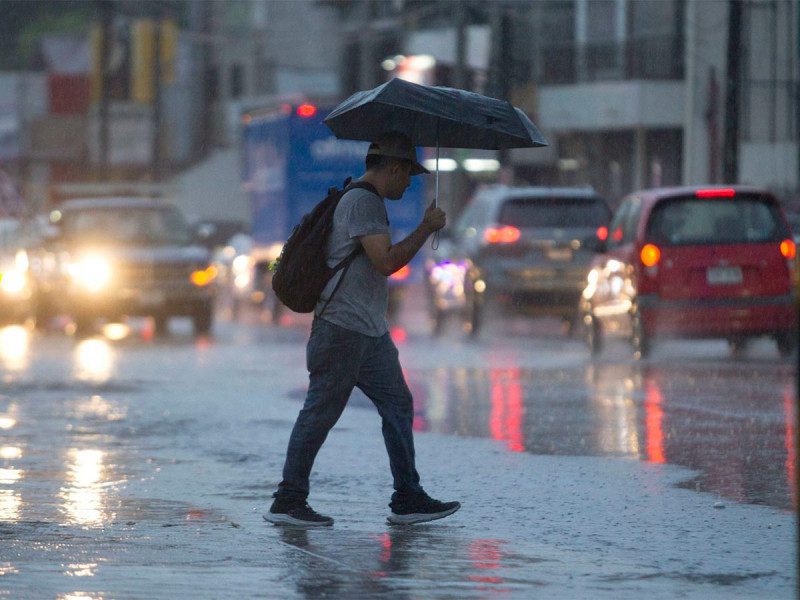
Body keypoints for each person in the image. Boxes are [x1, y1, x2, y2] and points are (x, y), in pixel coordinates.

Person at [264, 131, 461, 527]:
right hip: (341, 330)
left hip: (369, 333)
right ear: (392, 167)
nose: (409, 183)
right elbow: (385, 261)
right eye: (407, 175)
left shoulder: (364, 201)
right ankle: (288, 499)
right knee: (320, 413)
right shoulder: (362, 202)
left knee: (398, 405)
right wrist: (425, 228)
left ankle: (407, 496)